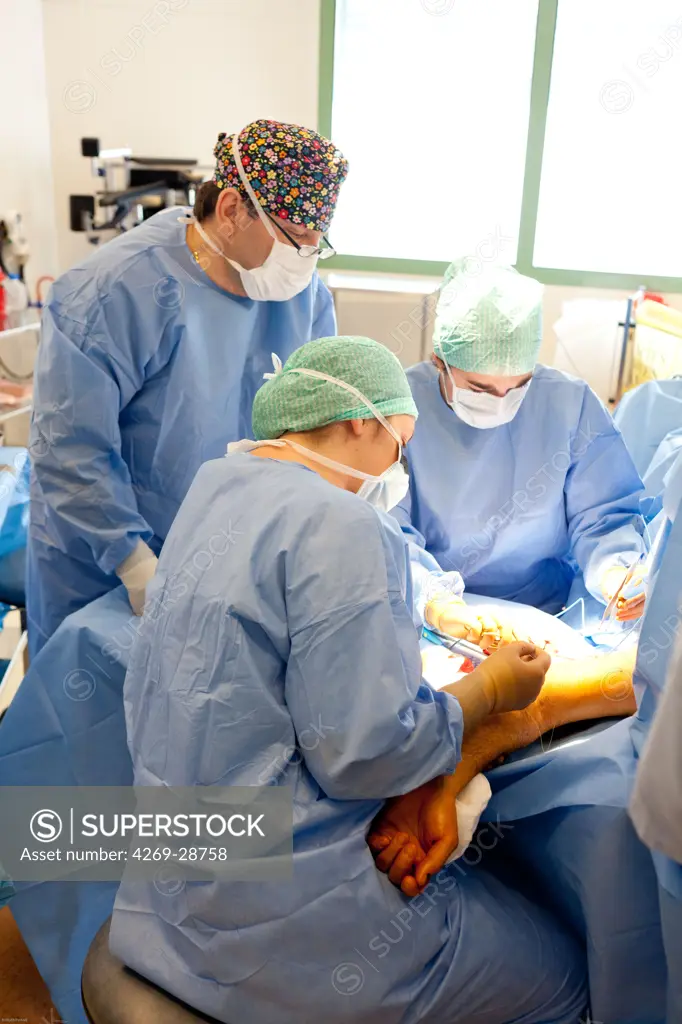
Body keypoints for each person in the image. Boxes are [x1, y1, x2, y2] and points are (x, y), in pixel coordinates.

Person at [110, 335, 587, 1024]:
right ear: (361, 420)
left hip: (167, 904)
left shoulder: (217, 485)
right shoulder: (340, 522)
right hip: (280, 930)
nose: (400, 465)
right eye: (401, 443)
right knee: (562, 971)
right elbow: (365, 754)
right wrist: (489, 691)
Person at [27, 119, 348, 656]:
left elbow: (314, 426)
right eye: (296, 239)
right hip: (105, 568)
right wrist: (136, 565)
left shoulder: (301, 297)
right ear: (229, 211)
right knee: (97, 719)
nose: (306, 260)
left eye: (319, 244)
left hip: (228, 562)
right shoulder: (111, 293)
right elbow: (69, 446)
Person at [393, 260, 649, 640]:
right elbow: (386, 529)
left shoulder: (569, 403)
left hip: (546, 611)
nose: (501, 401)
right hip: (429, 614)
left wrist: (616, 573)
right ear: (439, 362)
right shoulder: (400, 407)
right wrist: (436, 602)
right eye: (479, 389)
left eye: (519, 385)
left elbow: (602, 514)